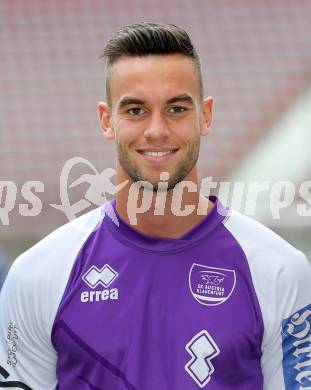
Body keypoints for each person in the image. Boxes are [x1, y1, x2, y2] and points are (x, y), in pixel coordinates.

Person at [0, 22, 310, 390]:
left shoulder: (278, 270)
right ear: (106, 120)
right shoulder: (38, 275)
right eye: (135, 110)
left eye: (177, 108)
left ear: (205, 116)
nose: (157, 130)